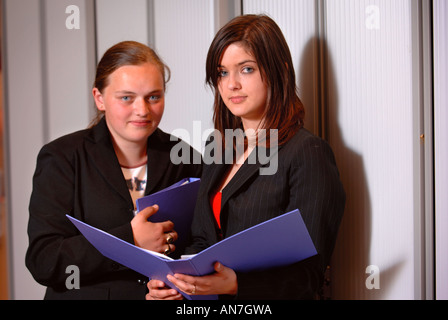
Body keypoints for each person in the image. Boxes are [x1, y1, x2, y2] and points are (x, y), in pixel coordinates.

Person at [146, 14, 345, 300]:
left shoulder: (307, 153)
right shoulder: (218, 146)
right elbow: (203, 240)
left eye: (247, 69)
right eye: (223, 72)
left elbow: (309, 274)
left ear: (280, 72)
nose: (232, 84)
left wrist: (237, 285)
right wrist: (175, 281)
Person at [25, 41, 202, 300]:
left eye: (154, 96)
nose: (142, 110)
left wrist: (174, 286)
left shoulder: (186, 158)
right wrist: (129, 239)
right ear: (99, 98)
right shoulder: (63, 158)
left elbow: (199, 245)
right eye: (126, 98)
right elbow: (44, 260)